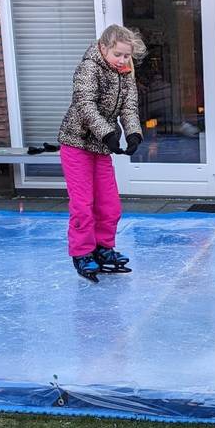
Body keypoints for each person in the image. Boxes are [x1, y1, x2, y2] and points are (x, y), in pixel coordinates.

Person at [57, 24, 145, 282]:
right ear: (104, 48)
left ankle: (103, 248)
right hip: (77, 144)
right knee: (83, 205)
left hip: (100, 147)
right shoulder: (89, 68)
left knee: (109, 204)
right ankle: (82, 253)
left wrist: (133, 134)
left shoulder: (125, 72)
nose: (122, 60)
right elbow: (84, 104)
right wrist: (107, 132)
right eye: (118, 54)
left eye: (127, 55)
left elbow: (129, 106)